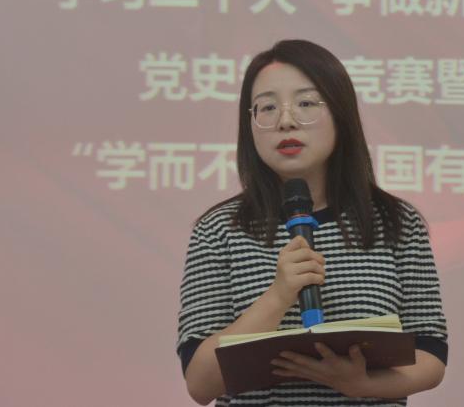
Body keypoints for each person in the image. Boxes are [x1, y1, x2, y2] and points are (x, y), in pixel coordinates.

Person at [177, 39, 448, 406]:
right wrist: (279, 295)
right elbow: (200, 383)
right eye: (267, 108)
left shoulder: (396, 222)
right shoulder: (218, 230)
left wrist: (363, 384)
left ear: (340, 113)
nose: (285, 121)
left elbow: (431, 353)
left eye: (306, 104)